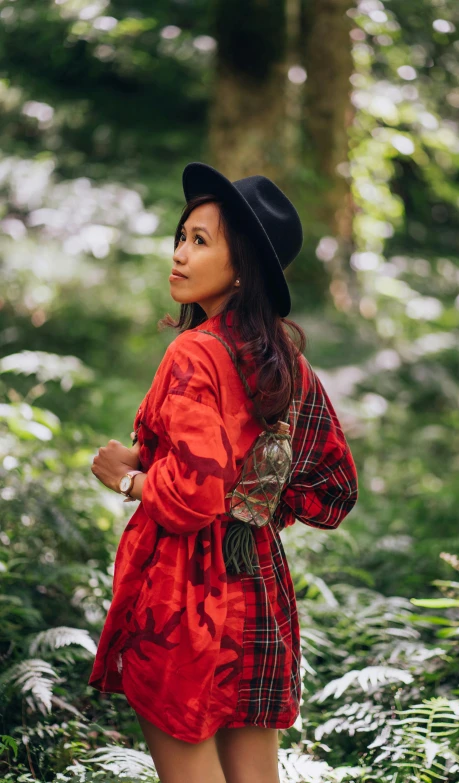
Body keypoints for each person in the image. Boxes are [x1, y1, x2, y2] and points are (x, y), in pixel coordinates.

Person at [89, 162, 358, 783]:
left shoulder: (193, 352)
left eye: (201, 241)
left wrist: (128, 480)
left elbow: (191, 498)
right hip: (259, 587)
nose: (180, 254)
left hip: (186, 600)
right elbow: (333, 489)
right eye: (181, 236)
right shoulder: (285, 363)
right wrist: (254, 504)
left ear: (242, 269)